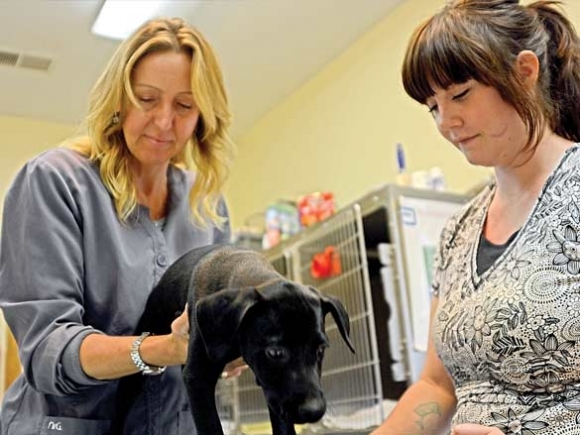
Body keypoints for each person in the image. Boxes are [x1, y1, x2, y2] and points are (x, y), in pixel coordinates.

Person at [0, 17, 238, 435]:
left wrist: (232, 347)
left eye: (184, 106)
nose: (164, 122)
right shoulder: (55, 183)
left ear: (203, 115)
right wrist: (162, 349)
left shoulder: (207, 208)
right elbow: (47, 350)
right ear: (119, 100)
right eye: (147, 99)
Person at [372, 0, 580, 434]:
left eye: (460, 94)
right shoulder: (457, 232)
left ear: (524, 72)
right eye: (432, 106)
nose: (446, 122)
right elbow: (436, 386)